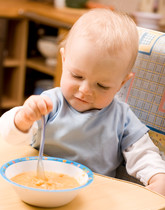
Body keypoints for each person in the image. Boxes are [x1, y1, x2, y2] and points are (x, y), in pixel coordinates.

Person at [0, 9, 165, 196]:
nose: (85, 90)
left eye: (102, 85)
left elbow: (143, 153)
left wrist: (158, 177)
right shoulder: (50, 103)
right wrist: (22, 119)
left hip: (94, 198)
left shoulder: (122, 117)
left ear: (121, 83)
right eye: (77, 76)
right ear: (64, 60)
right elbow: (8, 137)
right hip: (40, 188)